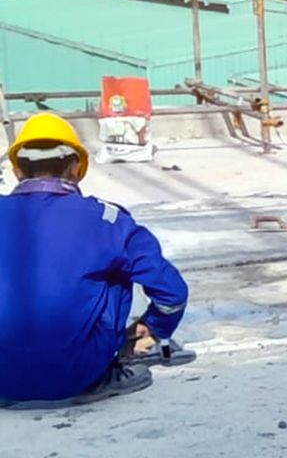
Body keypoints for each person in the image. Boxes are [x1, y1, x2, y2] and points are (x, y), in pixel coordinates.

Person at [0, 113, 190, 407]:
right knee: (115, 270)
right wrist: (153, 328)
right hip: (77, 377)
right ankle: (103, 369)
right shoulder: (109, 220)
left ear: (17, 172)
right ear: (76, 168)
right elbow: (172, 292)